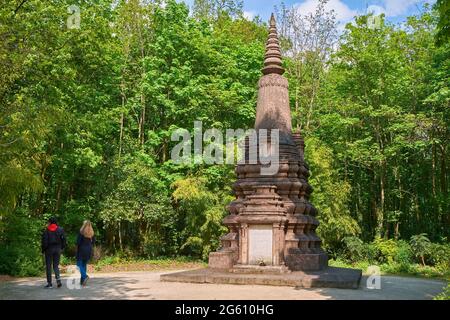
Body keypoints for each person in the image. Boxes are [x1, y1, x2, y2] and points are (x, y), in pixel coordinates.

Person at [41, 217, 66, 289]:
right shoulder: (60, 229)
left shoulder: (47, 230)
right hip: (58, 249)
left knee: (48, 266)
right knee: (56, 265)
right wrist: (62, 247)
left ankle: (49, 283)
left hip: (49, 250)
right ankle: (58, 280)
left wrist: (43, 250)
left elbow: (44, 242)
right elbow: (64, 239)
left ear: (50, 222)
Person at [76, 220, 95, 286]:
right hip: (88, 250)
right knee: (84, 265)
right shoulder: (92, 233)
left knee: (78, 265)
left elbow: (78, 242)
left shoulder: (81, 232)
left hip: (82, 250)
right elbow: (93, 243)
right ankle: (82, 281)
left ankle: (85, 276)